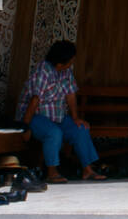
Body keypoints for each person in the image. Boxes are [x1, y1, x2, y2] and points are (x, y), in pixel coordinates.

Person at [17, 40, 105, 183]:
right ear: (59, 63)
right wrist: (25, 126)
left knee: (80, 129)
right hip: (35, 116)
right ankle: (52, 172)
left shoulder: (66, 71)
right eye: (70, 61)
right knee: (54, 133)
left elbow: (70, 94)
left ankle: (87, 170)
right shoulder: (43, 72)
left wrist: (75, 118)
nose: (72, 63)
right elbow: (34, 100)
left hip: (57, 117)